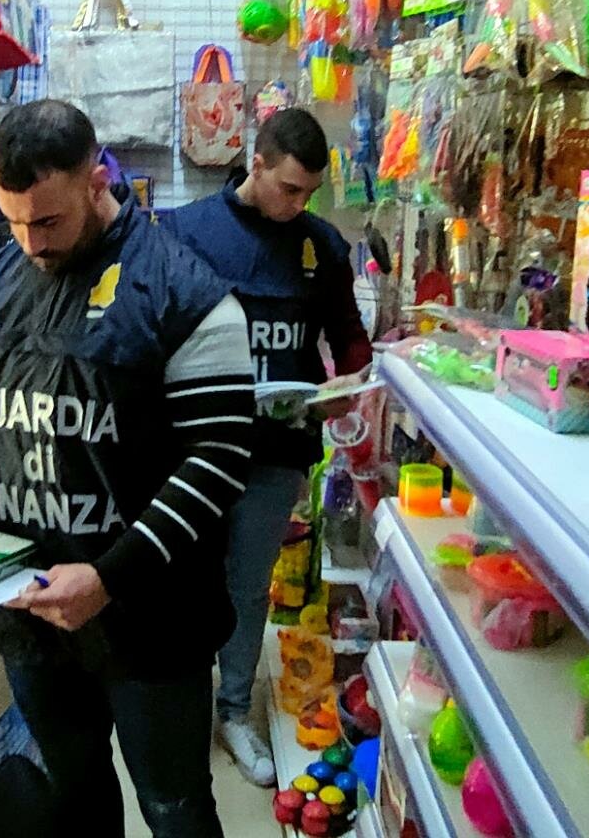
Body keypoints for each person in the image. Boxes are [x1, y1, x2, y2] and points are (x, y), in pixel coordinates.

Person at [0, 100, 255, 838]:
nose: (31, 242)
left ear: (99, 181)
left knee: (175, 805)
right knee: (80, 795)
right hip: (29, 616)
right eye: (14, 222)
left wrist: (110, 577)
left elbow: (217, 462)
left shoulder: (186, 295)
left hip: (149, 620)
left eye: (49, 221)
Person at [169, 107, 373, 786]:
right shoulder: (187, 232)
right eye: (288, 188)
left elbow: (347, 333)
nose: (297, 204)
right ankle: (179, 709)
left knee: (248, 586)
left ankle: (235, 711)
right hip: (193, 449)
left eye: (309, 193)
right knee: (184, 580)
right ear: (255, 163)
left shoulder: (319, 246)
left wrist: (350, 380)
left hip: (280, 447)